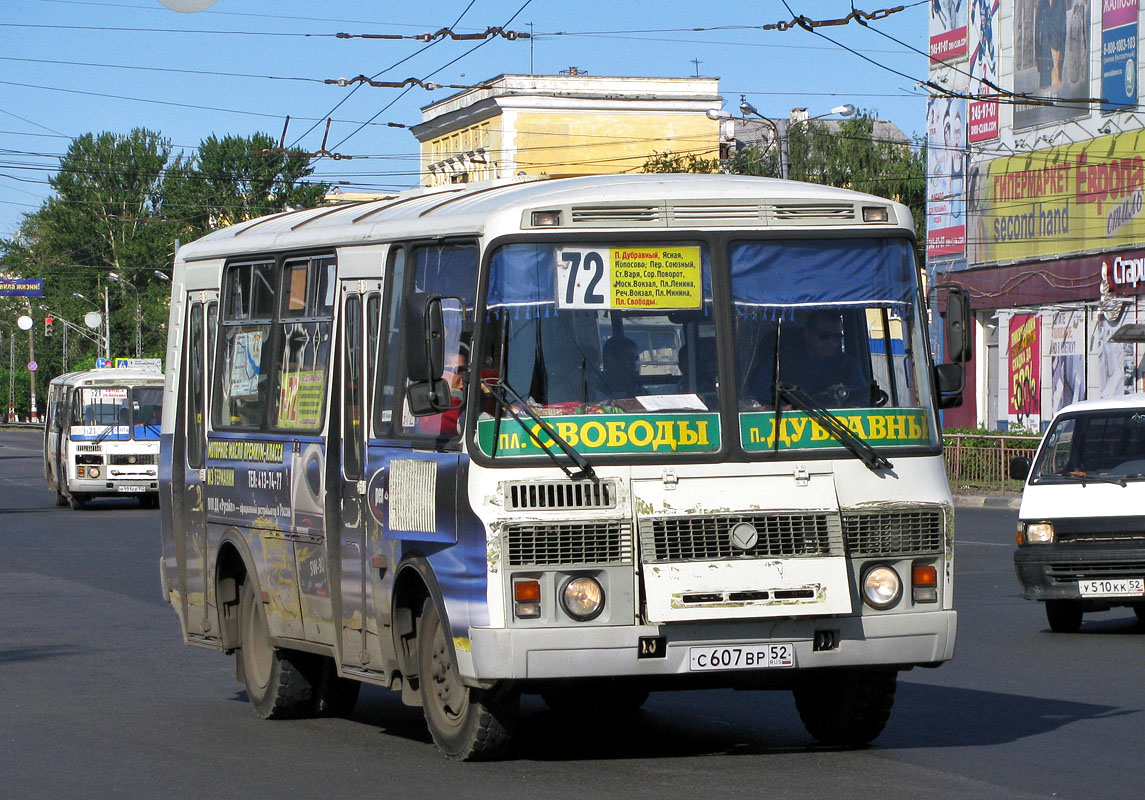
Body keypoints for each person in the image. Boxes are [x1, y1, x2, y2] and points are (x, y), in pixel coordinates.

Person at [781, 309, 869, 407]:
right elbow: (762, 402)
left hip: (836, 422)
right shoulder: (782, 364)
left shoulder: (849, 366)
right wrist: (782, 409)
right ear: (807, 335)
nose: (831, 342)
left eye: (837, 337)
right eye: (824, 336)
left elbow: (864, 400)